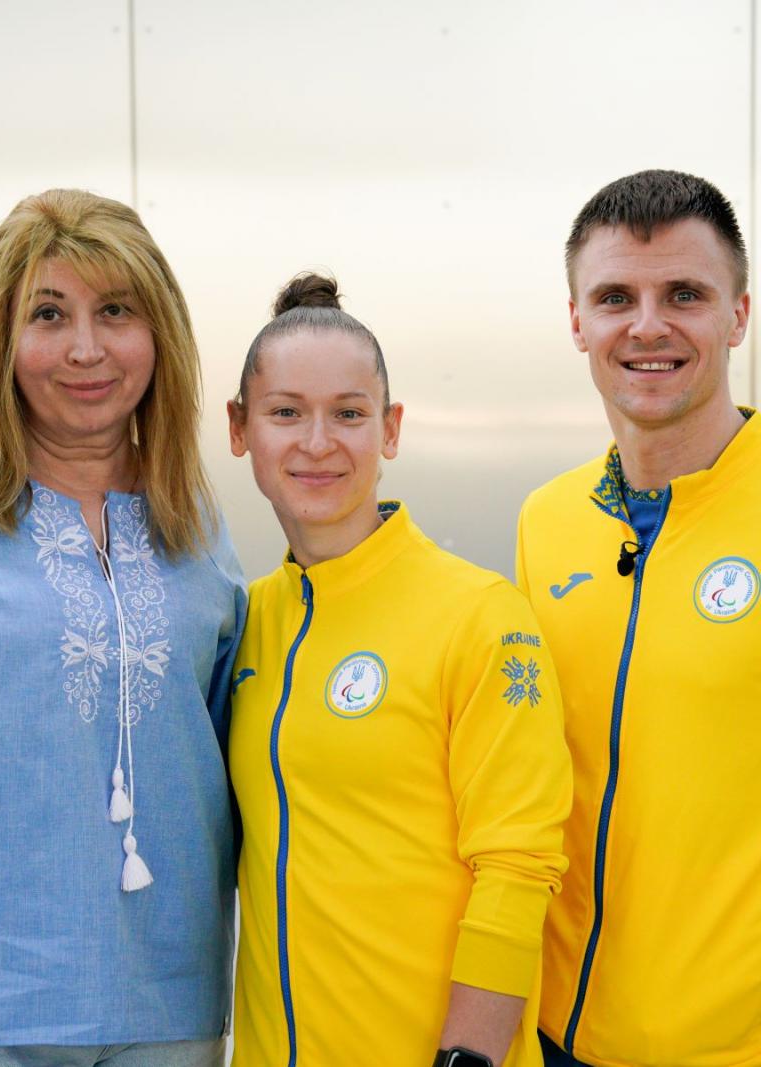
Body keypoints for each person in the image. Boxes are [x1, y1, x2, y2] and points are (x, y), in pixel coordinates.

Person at [226, 272, 572, 1067]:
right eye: (286, 413)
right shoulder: (245, 625)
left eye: (349, 413)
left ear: (390, 429)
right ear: (241, 429)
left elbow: (518, 866)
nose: (318, 443)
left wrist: (469, 1057)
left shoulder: (480, 615)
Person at [0, 189, 246, 1067]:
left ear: (158, 335)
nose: (85, 348)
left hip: (173, 999)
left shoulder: (199, 528)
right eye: (49, 314)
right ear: (0, 344)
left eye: (114, 311)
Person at [516, 170, 757, 1067]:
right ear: (578, 320)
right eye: (616, 296)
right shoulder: (547, 520)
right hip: (557, 1038)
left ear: (738, 315)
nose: (647, 326)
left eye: (684, 295)